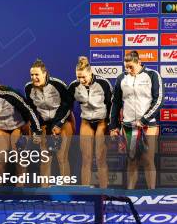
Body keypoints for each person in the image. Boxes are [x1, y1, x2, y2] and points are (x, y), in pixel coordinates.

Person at [0, 76, 42, 184]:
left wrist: (36, 131)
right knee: (0, 161)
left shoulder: (10, 95)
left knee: (19, 160)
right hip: (0, 128)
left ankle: (21, 191)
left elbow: (29, 111)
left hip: (18, 126)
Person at [109, 51, 162, 189]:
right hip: (128, 125)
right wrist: (113, 126)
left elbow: (159, 100)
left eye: (131, 67)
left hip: (148, 125)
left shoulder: (152, 75)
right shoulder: (122, 78)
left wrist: (144, 119)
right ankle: (131, 194)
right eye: (126, 67)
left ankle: (152, 194)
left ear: (139, 62)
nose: (128, 70)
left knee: (148, 159)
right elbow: (116, 103)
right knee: (132, 160)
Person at [25, 59, 74, 181]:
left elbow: (67, 106)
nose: (34, 77)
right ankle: (44, 191)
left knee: (61, 157)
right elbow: (32, 111)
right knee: (45, 158)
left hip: (62, 121)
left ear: (45, 73)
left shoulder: (58, 84)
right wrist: (37, 129)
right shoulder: (28, 88)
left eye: (37, 75)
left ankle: (66, 191)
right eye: (32, 75)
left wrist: (58, 123)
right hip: (43, 123)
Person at [68, 57, 112, 188]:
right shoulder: (74, 85)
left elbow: (111, 105)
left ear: (90, 72)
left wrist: (111, 126)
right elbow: (66, 106)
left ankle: (104, 191)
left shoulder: (103, 83)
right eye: (78, 77)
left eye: (83, 77)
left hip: (102, 122)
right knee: (86, 159)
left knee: (100, 158)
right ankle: (86, 191)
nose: (81, 80)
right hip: (86, 121)